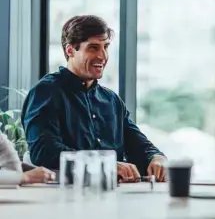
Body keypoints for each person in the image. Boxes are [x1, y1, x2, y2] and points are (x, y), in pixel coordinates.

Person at [22, 15, 167, 182]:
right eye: (93, 48)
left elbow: (138, 144)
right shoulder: (46, 92)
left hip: (114, 197)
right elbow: (44, 152)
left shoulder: (111, 100)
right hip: (64, 197)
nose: (103, 56)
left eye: (105, 47)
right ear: (70, 50)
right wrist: (105, 165)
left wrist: (156, 157)